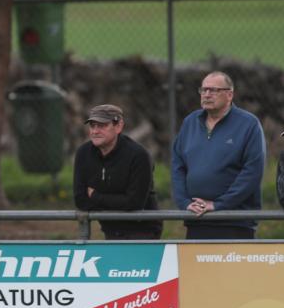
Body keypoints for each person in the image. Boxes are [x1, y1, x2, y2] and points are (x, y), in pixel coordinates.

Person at [172, 71, 265, 239]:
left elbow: (252, 172)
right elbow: (178, 166)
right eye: (204, 90)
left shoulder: (248, 124)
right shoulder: (190, 122)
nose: (207, 95)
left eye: (214, 90)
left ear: (229, 94)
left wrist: (219, 205)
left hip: (235, 222)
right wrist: (185, 203)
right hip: (196, 219)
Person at [72, 105, 162, 240]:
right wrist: (119, 201)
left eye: (102, 125)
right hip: (110, 229)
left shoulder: (138, 155)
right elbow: (80, 200)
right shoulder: (84, 153)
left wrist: (95, 196)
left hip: (142, 229)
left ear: (119, 126)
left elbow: (134, 203)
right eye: (92, 125)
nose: (95, 131)